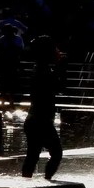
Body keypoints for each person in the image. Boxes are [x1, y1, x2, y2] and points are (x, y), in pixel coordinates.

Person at [22, 35, 66, 180]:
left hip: (35, 119)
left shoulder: (41, 68)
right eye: (54, 50)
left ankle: (27, 183)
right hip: (41, 121)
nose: (57, 52)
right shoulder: (43, 71)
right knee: (56, 153)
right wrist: (61, 68)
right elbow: (59, 87)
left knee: (32, 156)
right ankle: (47, 182)